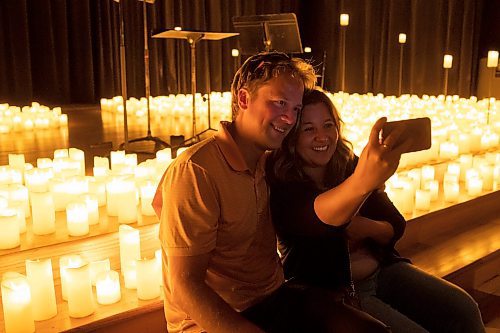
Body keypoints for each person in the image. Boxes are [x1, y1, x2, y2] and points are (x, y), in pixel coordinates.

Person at [152, 53, 391, 332]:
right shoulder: (197, 171)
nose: (289, 118)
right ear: (243, 99)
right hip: (212, 320)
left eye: (296, 109)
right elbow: (184, 285)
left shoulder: (269, 161)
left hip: (273, 297)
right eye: (279, 103)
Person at [266, 87, 486, 333]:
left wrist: (364, 227)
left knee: (463, 308)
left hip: (383, 270)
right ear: (292, 135)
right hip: (335, 291)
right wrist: (363, 194)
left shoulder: (348, 163)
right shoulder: (283, 183)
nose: (322, 137)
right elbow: (319, 223)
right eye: (309, 129)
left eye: (328, 125)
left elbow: (395, 224)